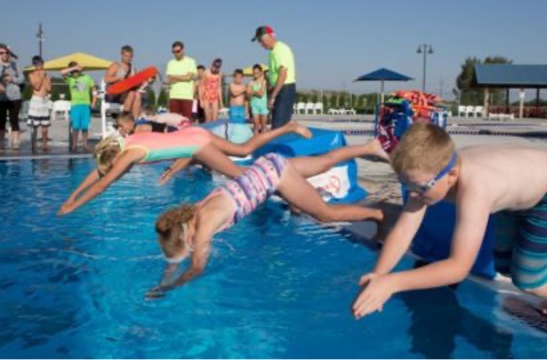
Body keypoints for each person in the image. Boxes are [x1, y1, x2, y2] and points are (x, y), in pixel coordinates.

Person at [351, 123, 547, 332]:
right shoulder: (430, 173)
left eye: (420, 188)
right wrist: (379, 275)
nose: (413, 194)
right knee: (505, 265)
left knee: (528, 280)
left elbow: (457, 268)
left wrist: (393, 283)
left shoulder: (475, 187)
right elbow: (404, 230)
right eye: (406, 185)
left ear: (451, 173)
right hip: (517, 193)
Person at [147, 139, 389, 295]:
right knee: (324, 163)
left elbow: (198, 267)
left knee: (325, 214)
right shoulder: (193, 212)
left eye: (187, 249)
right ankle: (369, 147)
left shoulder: (204, 228)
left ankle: (378, 215)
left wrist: (170, 288)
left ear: (188, 240)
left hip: (277, 177)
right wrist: (163, 278)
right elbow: (179, 256)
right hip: (268, 164)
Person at [57, 121, 312, 215]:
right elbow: (99, 173)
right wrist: (69, 198)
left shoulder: (130, 154)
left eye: (114, 167)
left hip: (197, 146)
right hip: (194, 133)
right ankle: (288, 127)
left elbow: (102, 184)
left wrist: (73, 206)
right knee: (243, 149)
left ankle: (294, 191)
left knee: (246, 176)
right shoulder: (127, 141)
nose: (117, 171)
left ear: (114, 158)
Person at [252, 26, 296, 129]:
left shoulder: (280, 49)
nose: (260, 44)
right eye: (259, 41)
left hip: (285, 89)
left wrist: (273, 97)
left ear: (269, 37)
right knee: (277, 125)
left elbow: (283, 74)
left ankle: (280, 144)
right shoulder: (273, 51)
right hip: (280, 89)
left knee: (278, 126)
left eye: (260, 40)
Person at [61, 61, 97, 152]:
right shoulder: (69, 79)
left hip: (85, 105)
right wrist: (74, 68)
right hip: (75, 105)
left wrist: (94, 101)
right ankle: (74, 145)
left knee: (85, 127)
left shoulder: (87, 78)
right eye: (73, 71)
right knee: (75, 126)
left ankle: (85, 144)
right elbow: (62, 72)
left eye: (76, 71)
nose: (75, 73)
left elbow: (94, 89)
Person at [0, 43, 24, 150]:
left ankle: (15, 143)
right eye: (1, 53)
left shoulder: (15, 65)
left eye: (5, 52)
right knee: (1, 121)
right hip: (1, 97)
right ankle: (1, 143)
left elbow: (22, 79)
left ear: (9, 53)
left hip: (15, 97)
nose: (4, 55)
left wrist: (12, 79)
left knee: (14, 120)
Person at [104, 45, 140, 118]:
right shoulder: (116, 65)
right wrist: (118, 78)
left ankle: (135, 121)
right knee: (132, 94)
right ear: (121, 54)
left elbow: (136, 84)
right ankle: (124, 119)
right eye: (126, 56)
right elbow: (106, 79)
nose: (128, 58)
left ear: (132, 56)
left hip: (128, 93)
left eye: (130, 56)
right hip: (116, 93)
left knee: (137, 94)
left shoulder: (133, 68)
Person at [27, 55, 52, 151]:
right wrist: (41, 76)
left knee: (45, 125)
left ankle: (45, 144)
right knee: (35, 124)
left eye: (42, 64)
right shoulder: (31, 75)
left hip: (45, 100)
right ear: (35, 65)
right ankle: (34, 144)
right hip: (36, 100)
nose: (41, 66)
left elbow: (49, 89)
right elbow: (36, 86)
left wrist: (46, 78)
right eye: (39, 64)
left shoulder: (46, 75)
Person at [166, 41, 197, 119]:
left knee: (186, 122)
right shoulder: (170, 63)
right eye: (174, 52)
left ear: (183, 50)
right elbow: (170, 79)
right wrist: (184, 77)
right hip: (174, 95)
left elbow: (189, 77)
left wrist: (175, 77)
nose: (176, 53)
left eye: (178, 51)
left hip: (187, 96)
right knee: (173, 123)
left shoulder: (191, 61)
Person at [247, 64, 269, 134]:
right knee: (256, 126)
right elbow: (248, 94)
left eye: (257, 73)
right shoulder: (251, 82)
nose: (255, 74)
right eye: (254, 73)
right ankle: (255, 142)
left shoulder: (264, 81)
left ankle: (265, 143)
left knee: (263, 126)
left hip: (263, 106)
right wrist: (255, 92)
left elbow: (261, 94)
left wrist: (253, 92)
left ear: (260, 73)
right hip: (254, 105)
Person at [200, 58, 224, 122]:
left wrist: (221, 102)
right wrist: (201, 100)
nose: (214, 68)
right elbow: (201, 86)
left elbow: (219, 87)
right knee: (208, 119)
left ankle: (213, 132)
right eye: (214, 66)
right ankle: (207, 131)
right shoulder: (206, 73)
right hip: (206, 97)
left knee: (215, 119)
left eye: (217, 67)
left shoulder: (219, 74)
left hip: (215, 97)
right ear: (212, 64)